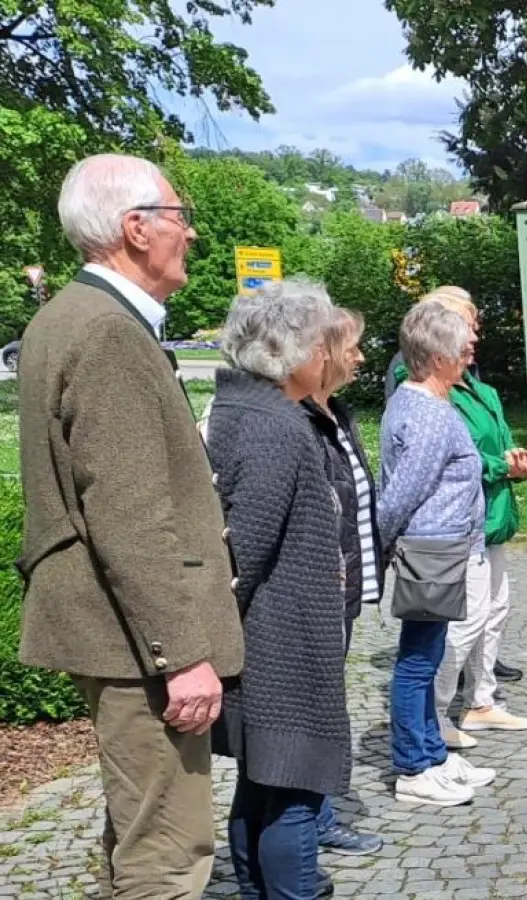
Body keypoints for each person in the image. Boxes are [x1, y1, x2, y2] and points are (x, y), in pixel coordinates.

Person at [15, 153, 243, 899]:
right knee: (169, 854)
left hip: (119, 633)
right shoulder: (109, 332)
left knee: (142, 832)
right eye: (179, 216)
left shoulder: (72, 318)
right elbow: (128, 514)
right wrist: (180, 655)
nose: (192, 233)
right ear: (134, 228)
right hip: (135, 642)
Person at [206, 278, 351, 900]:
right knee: (291, 789)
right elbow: (247, 549)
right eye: (321, 343)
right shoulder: (275, 426)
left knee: (260, 785)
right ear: (291, 350)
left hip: (267, 635)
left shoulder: (245, 408)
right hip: (280, 642)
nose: (327, 356)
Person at [392, 289, 527, 750]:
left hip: (491, 517)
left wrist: (511, 457)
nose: (474, 336)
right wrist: (499, 466)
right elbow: (433, 470)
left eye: (474, 325)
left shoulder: (480, 387)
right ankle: (433, 719)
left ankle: (481, 701)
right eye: (467, 325)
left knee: (494, 612)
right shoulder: (424, 390)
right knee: (462, 622)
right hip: (451, 532)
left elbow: (487, 442)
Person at [378, 301, 497, 807]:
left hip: (441, 547)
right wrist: (378, 546)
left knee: (427, 655)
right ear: (434, 356)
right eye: (461, 346)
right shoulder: (425, 412)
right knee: (417, 661)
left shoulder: (429, 402)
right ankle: (412, 767)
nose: (470, 350)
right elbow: (402, 494)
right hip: (430, 550)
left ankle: (433, 752)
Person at [300, 307, 386, 856]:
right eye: (351, 348)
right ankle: (310, 819)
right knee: (313, 707)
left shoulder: (338, 412)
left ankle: (317, 813)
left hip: (346, 588)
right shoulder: (301, 420)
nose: (359, 357)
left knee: (328, 702)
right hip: (317, 591)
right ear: (324, 352)